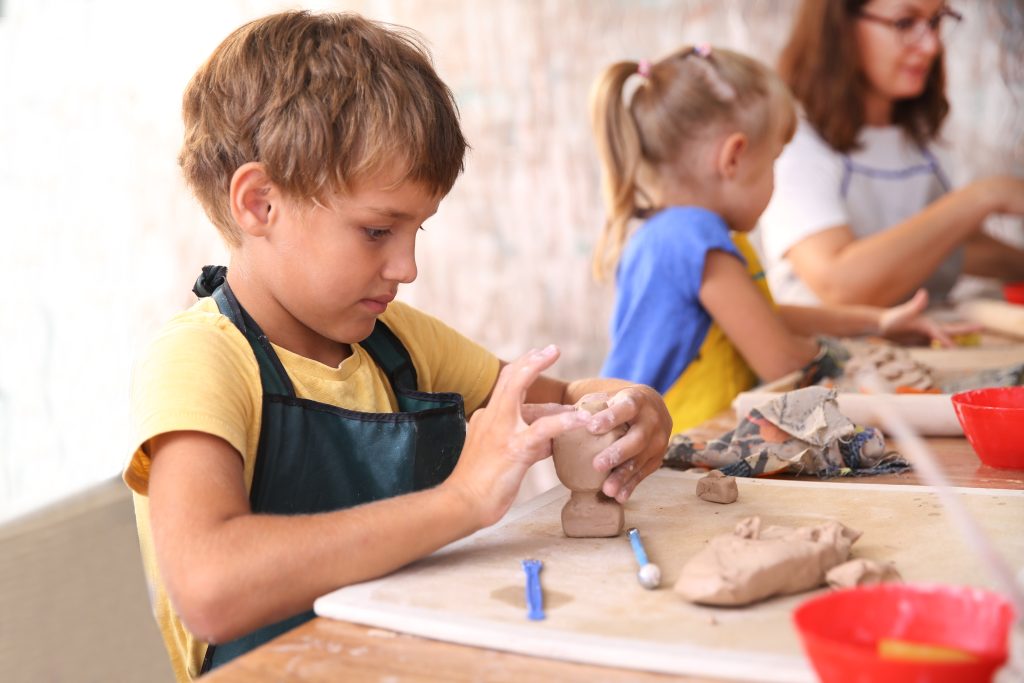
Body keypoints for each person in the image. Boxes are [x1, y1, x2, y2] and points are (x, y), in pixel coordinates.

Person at [124, 11, 672, 681]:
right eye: (379, 231)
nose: (407, 267)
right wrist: (462, 501)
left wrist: (622, 405)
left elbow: (556, 404)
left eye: (418, 229)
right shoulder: (199, 360)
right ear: (260, 202)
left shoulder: (398, 344)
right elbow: (210, 587)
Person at [588, 44, 973, 435]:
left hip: (678, 437)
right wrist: (854, 358)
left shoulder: (684, 233)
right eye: (774, 160)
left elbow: (765, 315)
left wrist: (876, 321)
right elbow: (783, 361)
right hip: (663, 451)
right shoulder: (694, 237)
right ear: (734, 158)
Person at [758, 0, 1024, 307]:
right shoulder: (792, 142)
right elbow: (838, 286)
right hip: (838, 350)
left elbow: (947, 246)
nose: (931, 46)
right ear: (839, 27)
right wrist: (985, 196)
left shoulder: (921, 136)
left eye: (935, 22)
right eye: (905, 23)